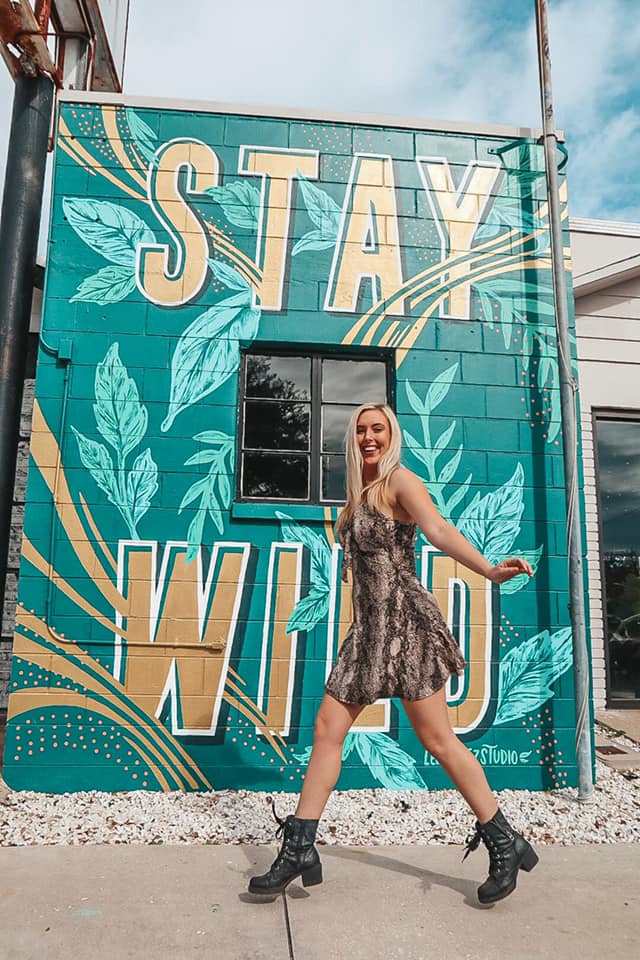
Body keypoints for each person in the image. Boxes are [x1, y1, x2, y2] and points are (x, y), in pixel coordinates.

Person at [248, 403, 538, 904]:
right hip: (369, 634)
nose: (368, 437)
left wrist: (488, 571)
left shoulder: (401, 482)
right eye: (361, 429)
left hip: (406, 628)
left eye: (377, 428)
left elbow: (439, 530)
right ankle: (300, 846)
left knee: (438, 740)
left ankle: (503, 838)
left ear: (391, 434)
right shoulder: (359, 494)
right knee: (327, 729)